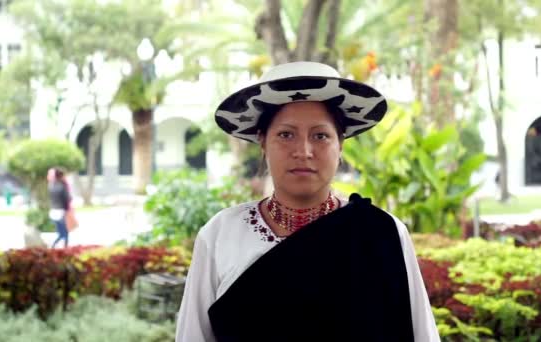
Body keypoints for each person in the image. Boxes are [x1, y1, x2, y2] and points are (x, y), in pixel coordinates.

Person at [175, 61, 439, 341]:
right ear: (263, 142)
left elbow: (422, 334)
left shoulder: (383, 233)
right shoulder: (221, 234)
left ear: (341, 146)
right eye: (286, 134)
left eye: (320, 136)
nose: (303, 151)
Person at [48, 167, 72, 248]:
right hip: (60, 211)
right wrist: (67, 210)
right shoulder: (62, 185)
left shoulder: (51, 185)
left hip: (53, 211)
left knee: (61, 232)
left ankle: (56, 246)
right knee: (64, 233)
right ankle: (57, 246)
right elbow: (67, 198)